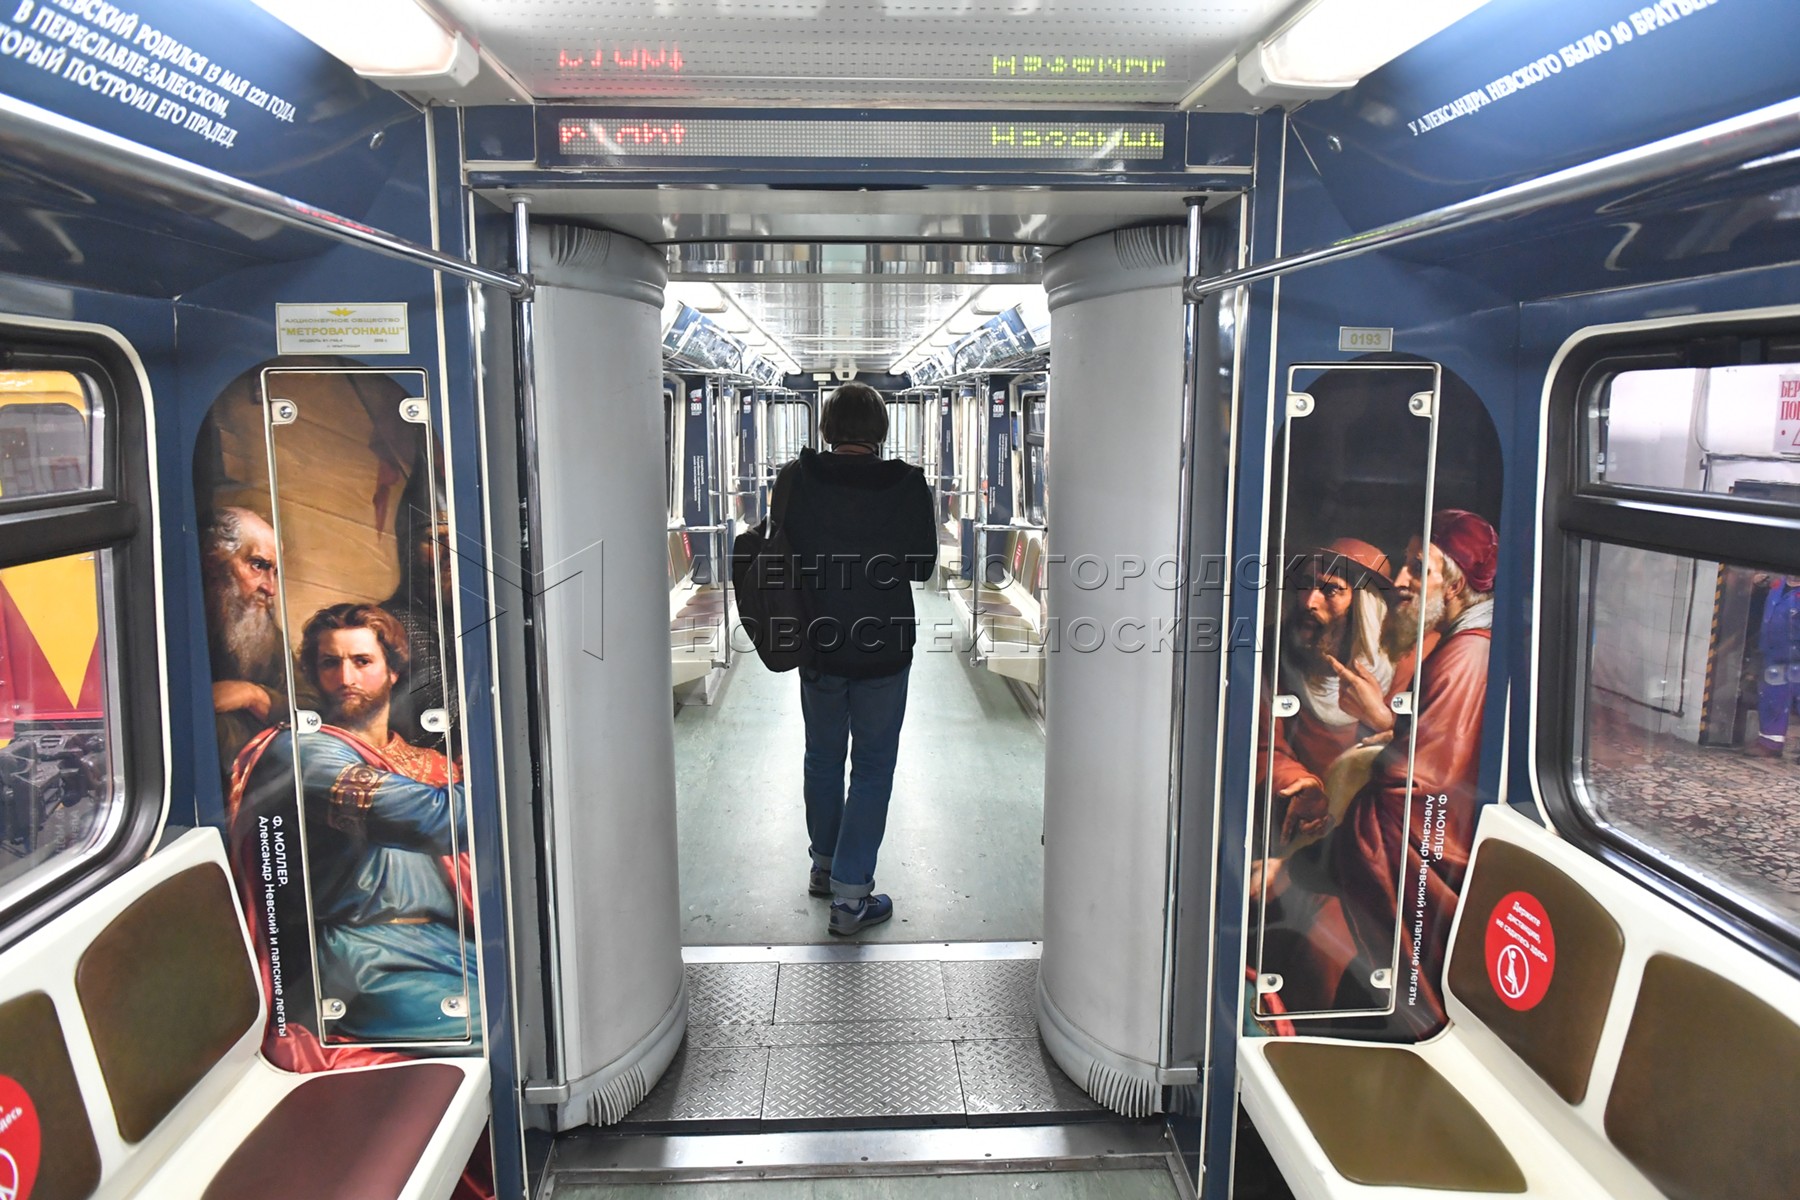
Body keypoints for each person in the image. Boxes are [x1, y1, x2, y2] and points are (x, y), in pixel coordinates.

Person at [229, 603, 476, 1054]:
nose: (346, 677)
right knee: (502, 1024)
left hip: (449, 943)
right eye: (330, 663)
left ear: (393, 671)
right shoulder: (304, 752)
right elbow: (436, 820)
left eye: (362, 661)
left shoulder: (431, 764)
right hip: (364, 959)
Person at [1324, 509, 1497, 1033]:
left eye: (1419, 568)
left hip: (1429, 863)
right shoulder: (1457, 645)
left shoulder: (1467, 656)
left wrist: (1378, 727)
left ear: (1456, 585)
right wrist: (1386, 724)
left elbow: (1423, 788)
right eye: (1405, 563)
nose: (1401, 580)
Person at [778, 382, 938, 935]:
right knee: (872, 766)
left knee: (821, 757)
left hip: (817, 640)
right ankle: (851, 900)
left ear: (827, 428)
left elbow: (782, 553)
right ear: (880, 431)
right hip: (883, 646)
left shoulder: (796, 479)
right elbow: (920, 566)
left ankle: (824, 866)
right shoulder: (908, 484)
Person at [1261, 538, 1400, 851]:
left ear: (1364, 605)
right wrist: (1300, 786)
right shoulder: (1271, 652)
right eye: (1306, 584)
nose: (1309, 601)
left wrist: (1383, 720)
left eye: (1331, 590)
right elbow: (1261, 745)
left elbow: (1436, 760)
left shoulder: (1406, 663)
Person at [200, 507, 289, 776]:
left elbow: (311, 708)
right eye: (258, 565)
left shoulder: (265, 633)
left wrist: (253, 695)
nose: (270, 588)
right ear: (214, 560)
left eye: (275, 572)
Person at [1750, 574, 1800, 758]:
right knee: (1772, 698)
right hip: (1774, 654)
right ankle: (1769, 744)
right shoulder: (1777, 584)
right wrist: (1756, 584)